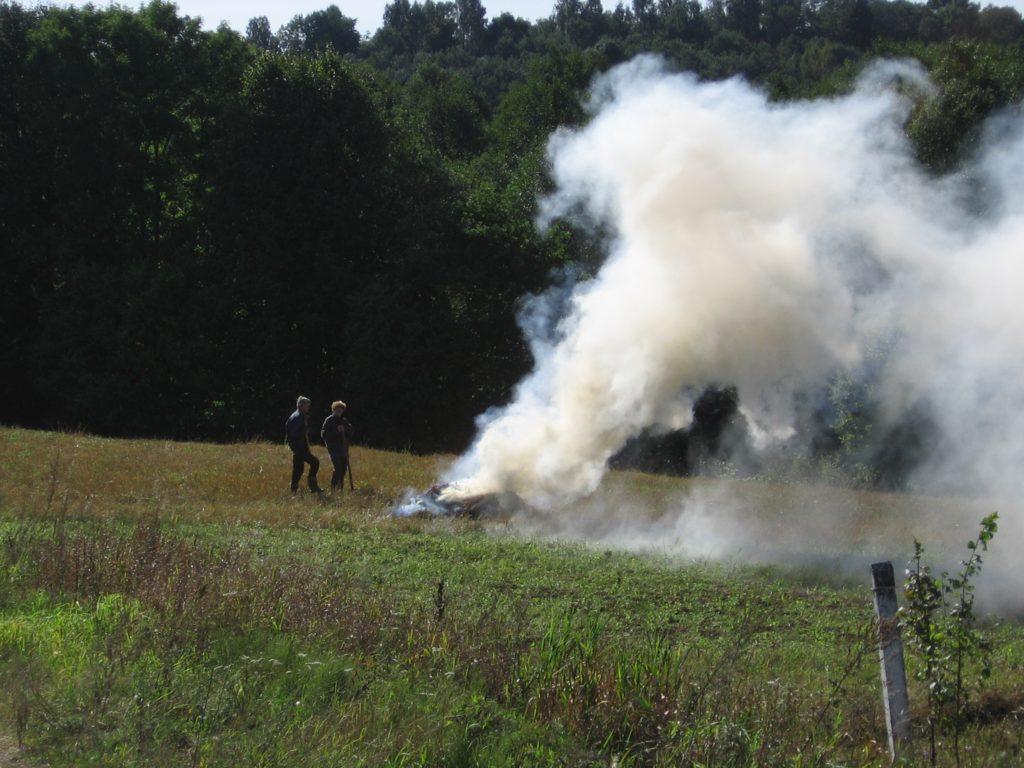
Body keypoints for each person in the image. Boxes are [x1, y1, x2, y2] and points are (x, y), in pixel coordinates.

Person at [286, 396, 322, 494]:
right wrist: (305, 429)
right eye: (307, 405)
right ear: (301, 406)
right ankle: (313, 487)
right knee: (315, 462)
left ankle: (294, 490)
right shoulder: (298, 417)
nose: (308, 407)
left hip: (298, 447)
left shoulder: (297, 415)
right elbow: (295, 433)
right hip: (299, 448)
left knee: (299, 469)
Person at [321, 400, 352, 491]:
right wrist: (336, 431)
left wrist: (345, 429)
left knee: (343, 469)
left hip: (343, 449)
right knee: (338, 468)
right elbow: (324, 435)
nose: (339, 411)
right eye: (338, 409)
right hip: (333, 449)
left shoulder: (344, 421)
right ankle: (333, 489)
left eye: (341, 409)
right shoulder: (329, 420)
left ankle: (340, 488)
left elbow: (351, 432)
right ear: (333, 409)